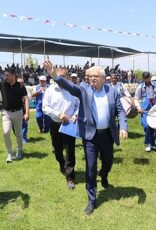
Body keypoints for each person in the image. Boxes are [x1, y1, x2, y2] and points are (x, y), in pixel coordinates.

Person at [44, 60, 128, 215]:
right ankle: (92, 199)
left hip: (107, 135)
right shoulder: (84, 89)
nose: (92, 78)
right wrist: (53, 73)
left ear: (103, 77)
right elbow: (69, 86)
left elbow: (120, 110)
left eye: (96, 76)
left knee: (108, 161)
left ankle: (104, 174)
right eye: (91, 76)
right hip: (90, 136)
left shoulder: (112, 91)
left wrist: (123, 127)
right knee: (90, 168)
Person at [42, 68, 80, 190]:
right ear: (55, 77)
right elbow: (45, 107)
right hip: (55, 123)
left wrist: (75, 114)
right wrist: (58, 114)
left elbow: (79, 105)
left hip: (69, 123)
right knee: (57, 150)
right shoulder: (50, 90)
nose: (62, 79)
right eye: (60, 76)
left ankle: (70, 177)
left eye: (64, 76)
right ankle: (61, 163)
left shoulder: (72, 90)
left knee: (70, 150)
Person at [134, 72, 156, 152]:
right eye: (145, 79)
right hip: (144, 107)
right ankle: (147, 143)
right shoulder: (140, 87)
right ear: (143, 78)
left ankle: (152, 144)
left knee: (153, 125)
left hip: (154, 106)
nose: (146, 80)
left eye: (148, 78)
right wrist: (138, 107)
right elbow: (136, 98)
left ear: (150, 77)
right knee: (146, 125)